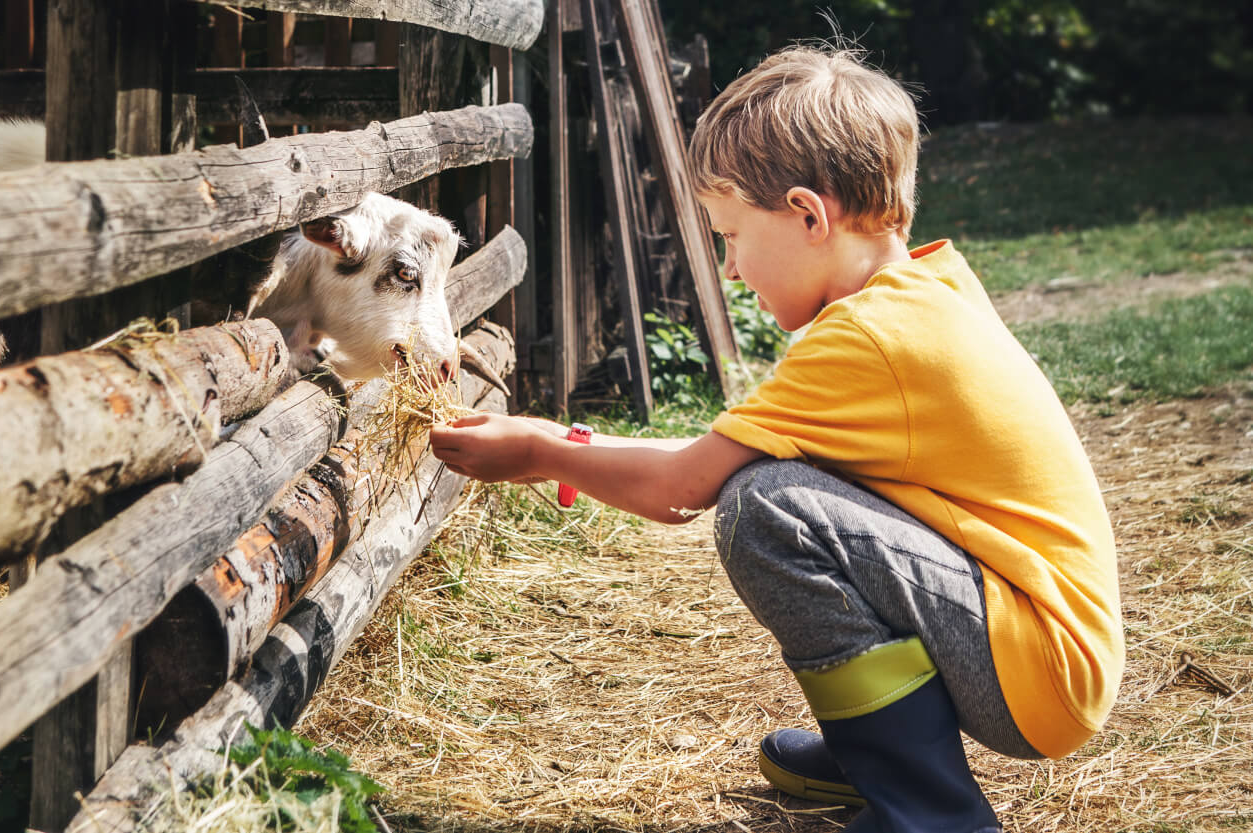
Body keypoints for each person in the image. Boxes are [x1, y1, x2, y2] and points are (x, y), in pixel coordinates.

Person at [430, 43, 1123, 833]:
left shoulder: (869, 339)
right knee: (775, 486)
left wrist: (542, 453)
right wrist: (558, 439)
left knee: (769, 511)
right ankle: (884, 753)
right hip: (1042, 644)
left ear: (807, 215)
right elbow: (717, 452)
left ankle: (930, 812)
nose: (729, 269)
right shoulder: (922, 290)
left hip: (1040, 666)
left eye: (732, 236)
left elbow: (685, 487)